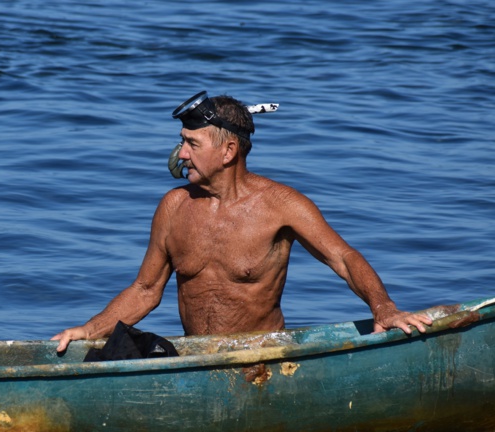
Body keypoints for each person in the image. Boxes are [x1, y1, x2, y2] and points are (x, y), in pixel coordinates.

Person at [52, 91, 432, 353]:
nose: (181, 153)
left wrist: (384, 308)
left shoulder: (281, 205)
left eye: (192, 144)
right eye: (181, 141)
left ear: (228, 151)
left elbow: (343, 258)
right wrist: (90, 329)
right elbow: (146, 289)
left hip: (261, 359)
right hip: (198, 357)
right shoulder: (173, 206)